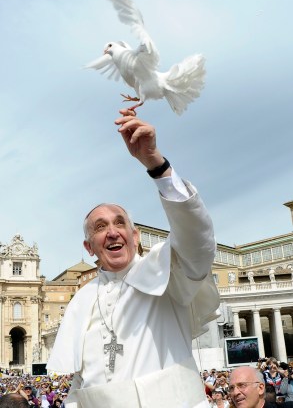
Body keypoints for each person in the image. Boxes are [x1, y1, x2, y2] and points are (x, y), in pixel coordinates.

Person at [47, 110, 220, 407]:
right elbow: (81, 384)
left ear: (135, 236)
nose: (112, 233)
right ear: (90, 248)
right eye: (100, 228)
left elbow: (197, 239)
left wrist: (155, 163)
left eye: (119, 223)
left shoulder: (167, 272)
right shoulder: (82, 300)